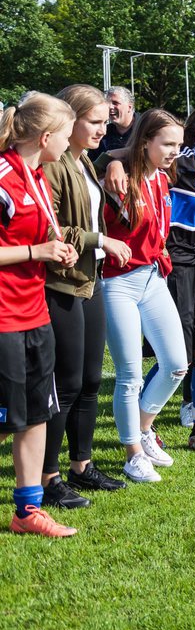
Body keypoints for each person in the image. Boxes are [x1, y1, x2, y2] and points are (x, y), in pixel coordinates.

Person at [102, 103, 195, 451]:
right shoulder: (182, 160)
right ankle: (139, 424)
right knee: (175, 354)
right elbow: (126, 153)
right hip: (172, 264)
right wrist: (113, 161)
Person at [41, 86, 133, 509]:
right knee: (67, 383)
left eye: (105, 121)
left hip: (89, 279)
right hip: (60, 283)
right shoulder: (54, 166)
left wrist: (113, 161)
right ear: (68, 120)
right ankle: (48, 477)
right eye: (95, 121)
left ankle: (82, 465)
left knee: (92, 380)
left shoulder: (85, 162)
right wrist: (102, 239)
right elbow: (51, 230)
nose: (104, 128)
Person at [0, 93, 80, 536]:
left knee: (34, 414)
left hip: (34, 313)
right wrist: (36, 250)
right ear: (47, 137)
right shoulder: (4, 178)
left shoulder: (36, 175)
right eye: (67, 137)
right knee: (5, 418)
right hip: (3, 318)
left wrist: (55, 253)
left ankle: (26, 511)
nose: (69, 145)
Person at [100, 109, 190, 483]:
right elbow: (101, 161)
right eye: (167, 144)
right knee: (130, 376)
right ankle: (132, 454)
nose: (174, 152)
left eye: (179, 145)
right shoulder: (117, 179)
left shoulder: (163, 180)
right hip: (116, 282)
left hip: (152, 279)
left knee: (175, 365)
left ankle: (143, 428)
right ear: (145, 142)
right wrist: (112, 161)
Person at [86, 87, 135, 160]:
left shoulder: (146, 128)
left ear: (129, 107)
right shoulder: (102, 133)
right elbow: (92, 166)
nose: (110, 107)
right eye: (107, 103)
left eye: (115, 103)